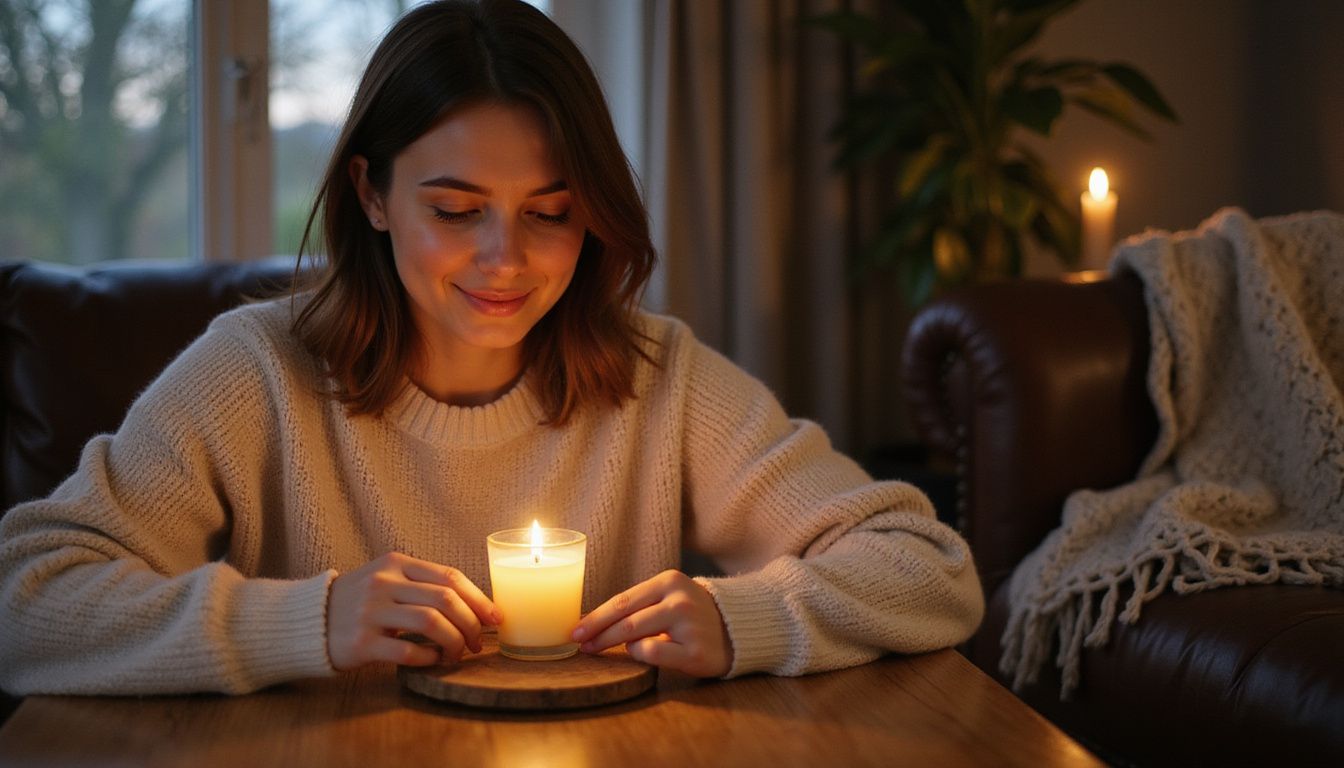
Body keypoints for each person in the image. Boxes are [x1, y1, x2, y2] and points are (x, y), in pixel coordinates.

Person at [0, 0, 982, 696]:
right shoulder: (255, 373)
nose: (506, 259)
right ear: (371, 196)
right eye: (457, 209)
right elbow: (26, 601)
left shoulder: (658, 378)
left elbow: (929, 567)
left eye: (550, 213)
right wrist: (309, 623)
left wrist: (742, 620)